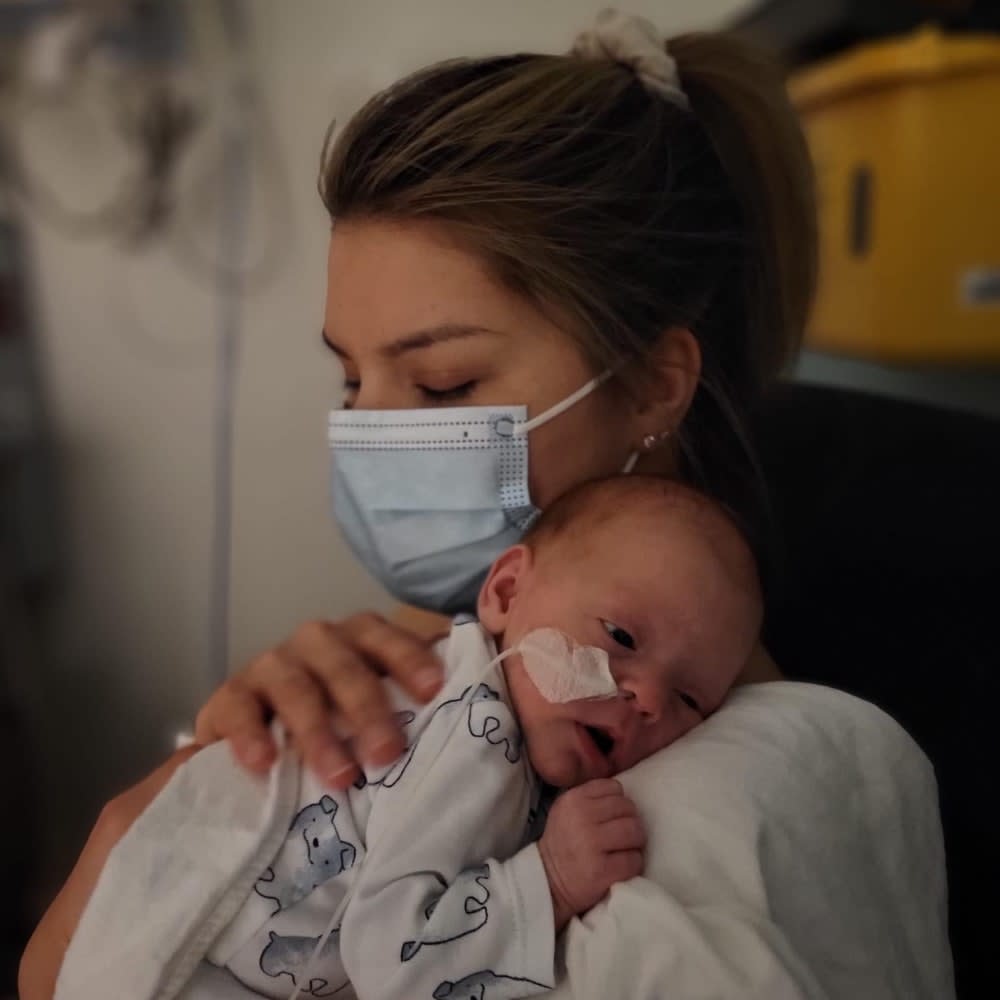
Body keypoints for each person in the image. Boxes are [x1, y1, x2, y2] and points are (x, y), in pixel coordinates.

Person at [21, 9, 817, 998]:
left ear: (654, 383)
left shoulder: (733, 775)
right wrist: (208, 803)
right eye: (353, 382)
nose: (377, 434)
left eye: (440, 385)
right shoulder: (431, 651)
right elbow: (56, 965)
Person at [53, 475, 763, 1000]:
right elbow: (396, 963)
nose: (646, 699)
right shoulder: (479, 734)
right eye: (621, 637)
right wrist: (545, 881)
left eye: (692, 700)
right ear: (507, 594)